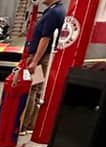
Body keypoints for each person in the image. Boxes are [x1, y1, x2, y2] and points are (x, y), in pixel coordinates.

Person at [22, 0, 66, 133]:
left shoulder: (53, 12)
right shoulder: (55, 10)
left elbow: (45, 38)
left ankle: (24, 124)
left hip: (41, 57)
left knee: (33, 88)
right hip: (42, 56)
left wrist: (35, 60)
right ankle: (31, 124)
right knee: (37, 89)